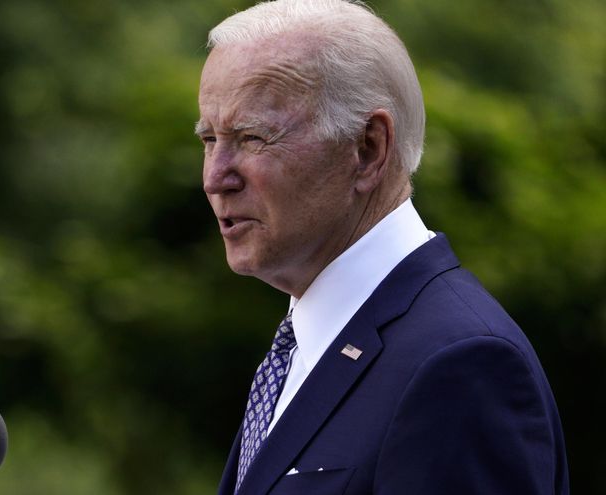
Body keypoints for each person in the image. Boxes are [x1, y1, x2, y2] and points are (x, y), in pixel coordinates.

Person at [194, 1, 569, 494]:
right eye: (209, 139)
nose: (215, 177)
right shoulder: (309, 345)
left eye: (252, 137)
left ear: (368, 148)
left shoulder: (460, 364)